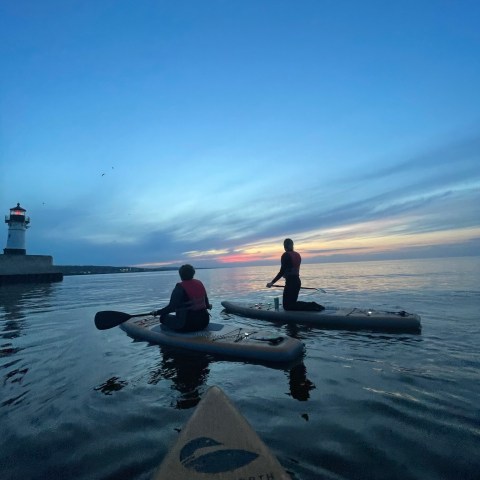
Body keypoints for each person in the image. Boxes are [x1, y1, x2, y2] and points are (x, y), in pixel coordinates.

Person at [266, 238, 324, 311]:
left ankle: (312, 305)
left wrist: (272, 283)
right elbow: (291, 269)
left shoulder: (285, 255)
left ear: (285, 246)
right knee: (292, 304)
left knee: (287, 307)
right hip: (297, 281)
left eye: (284, 245)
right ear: (292, 245)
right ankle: (312, 306)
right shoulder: (297, 255)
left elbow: (282, 272)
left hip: (291, 283)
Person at [152, 264, 212, 332]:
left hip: (187, 325)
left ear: (180, 275)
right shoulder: (199, 283)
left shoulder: (179, 288)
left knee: (163, 317)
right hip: (204, 322)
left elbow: (171, 308)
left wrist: (157, 312)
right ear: (193, 273)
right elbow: (207, 304)